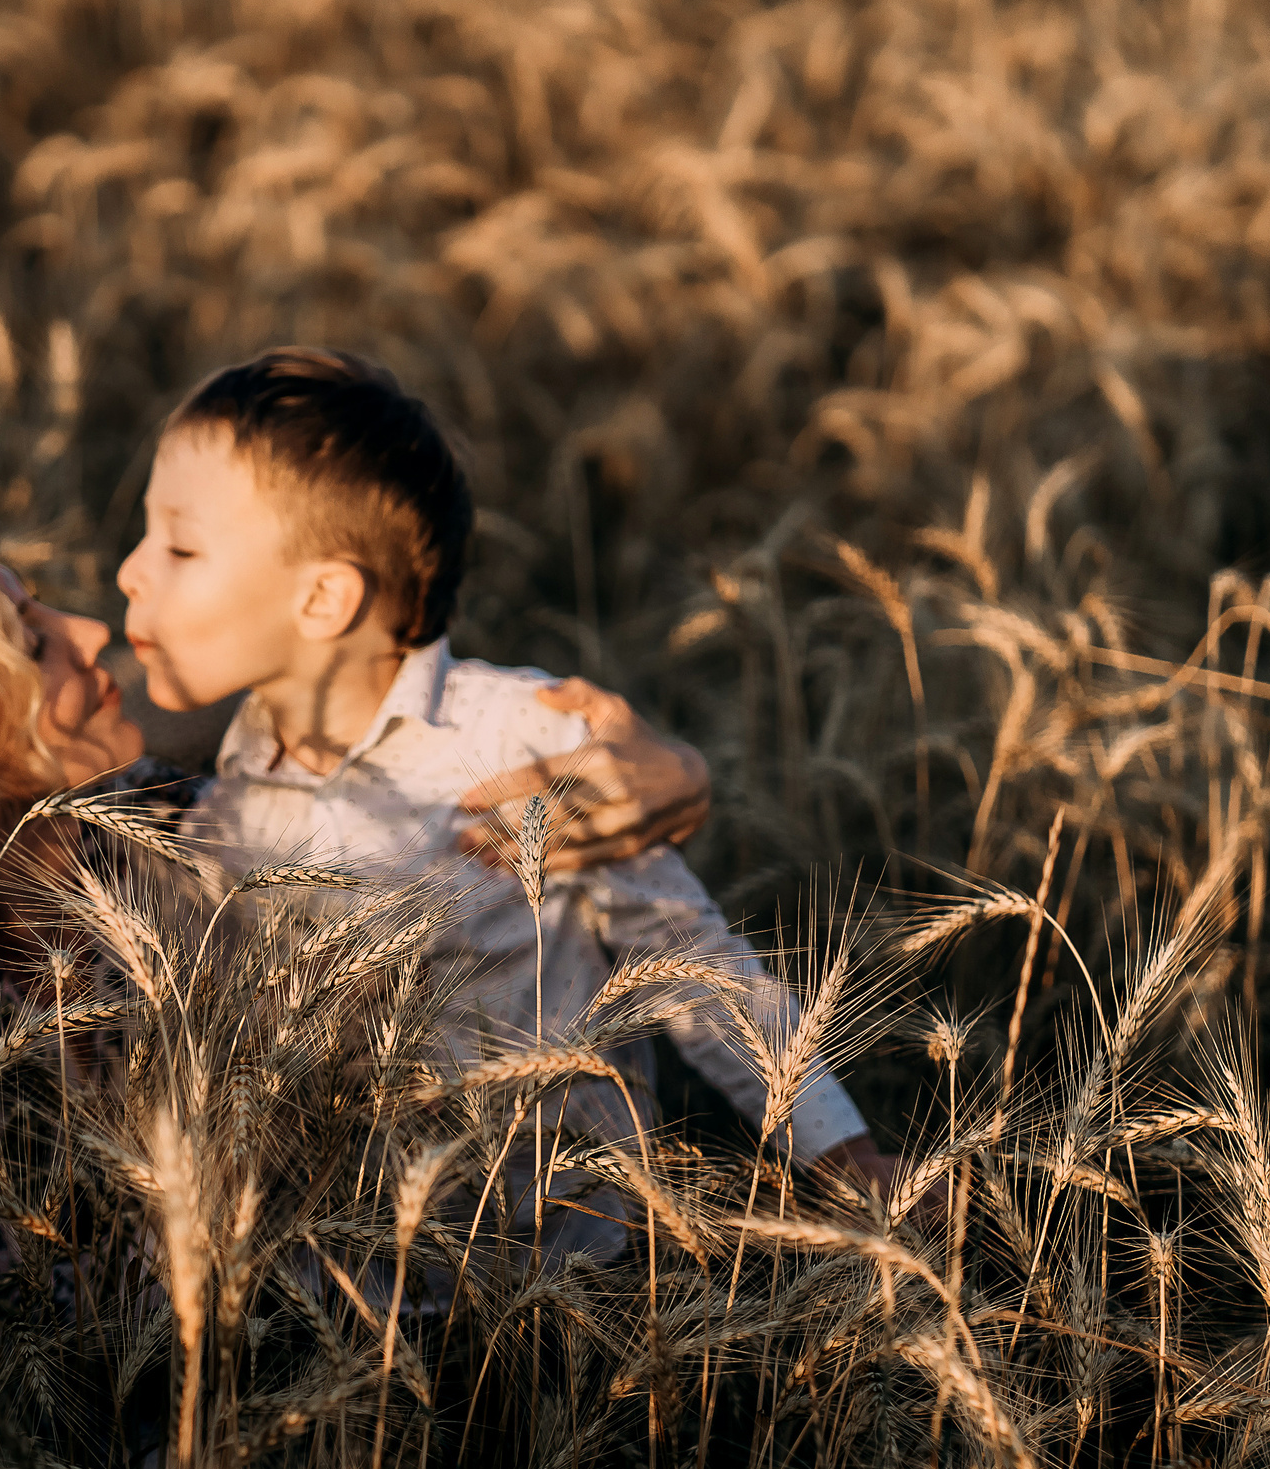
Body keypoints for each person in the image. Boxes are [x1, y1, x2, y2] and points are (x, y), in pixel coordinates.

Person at [114, 348, 899, 1245]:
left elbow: (694, 965)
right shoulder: (223, 800)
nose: (130, 572)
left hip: (567, 1278)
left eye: (177, 545)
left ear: (325, 596)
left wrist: (843, 1158)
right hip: (345, 1291)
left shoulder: (520, 743)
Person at [0, 518, 705, 999]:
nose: (84, 626)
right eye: (30, 642)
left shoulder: (164, 823)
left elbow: (406, 752)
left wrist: (670, 773)